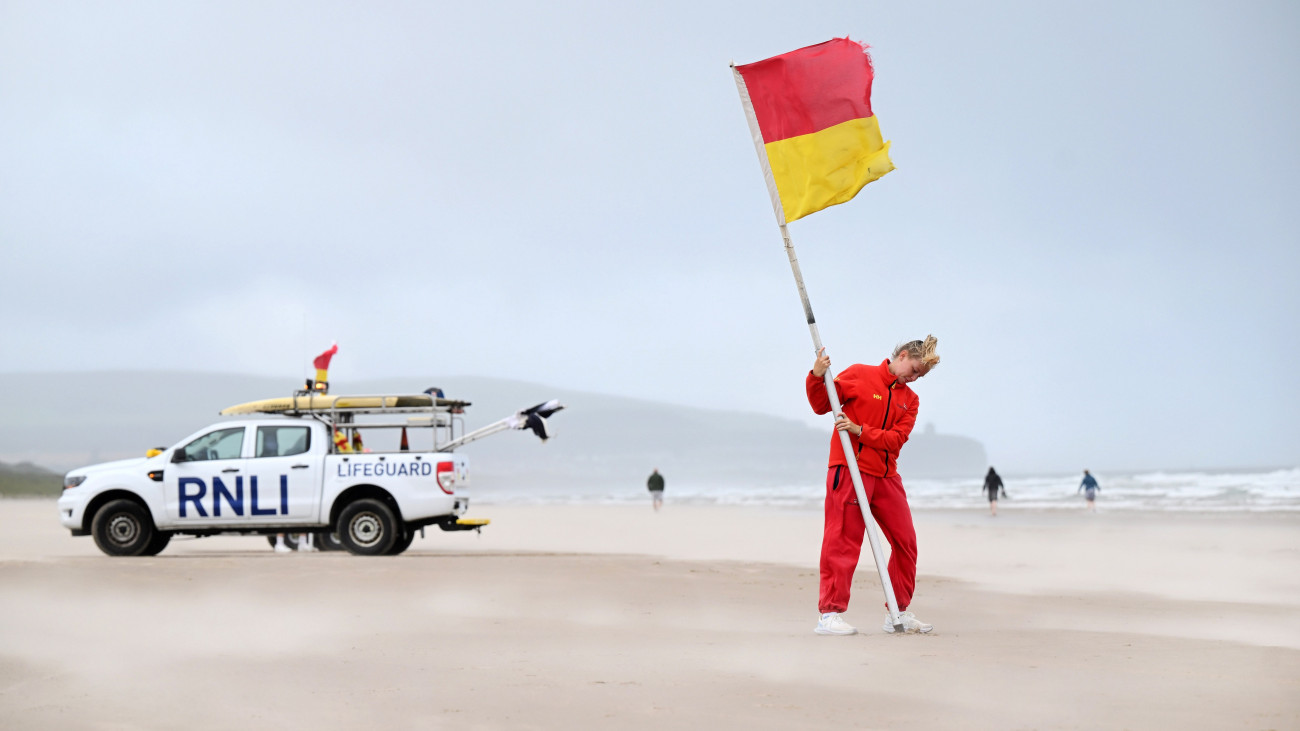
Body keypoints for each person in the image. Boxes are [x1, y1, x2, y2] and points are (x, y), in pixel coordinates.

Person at [808, 336, 940, 636]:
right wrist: (816, 375)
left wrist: (859, 430)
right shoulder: (859, 374)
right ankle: (829, 615)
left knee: (906, 542)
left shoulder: (911, 400)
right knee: (843, 541)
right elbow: (820, 404)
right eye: (915, 370)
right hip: (850, 468)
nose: (915, 378)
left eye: (920, 376)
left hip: (886, 476)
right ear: (903, 355)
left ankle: (898, 611)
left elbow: (896, 441)